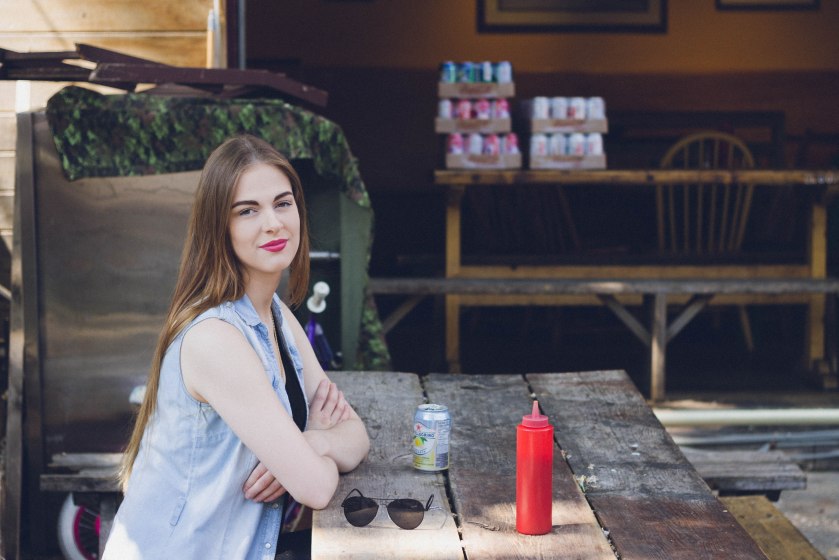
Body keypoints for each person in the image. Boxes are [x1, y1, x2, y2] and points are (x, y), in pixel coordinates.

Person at [103, 134, 370, 559]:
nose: (273, 223)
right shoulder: (216, 339)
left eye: (283, 203)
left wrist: (314, 445)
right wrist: (310, 446)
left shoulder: (277, 316)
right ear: (219, 227)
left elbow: (356, 435)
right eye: (248, 211)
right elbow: (316, 488)